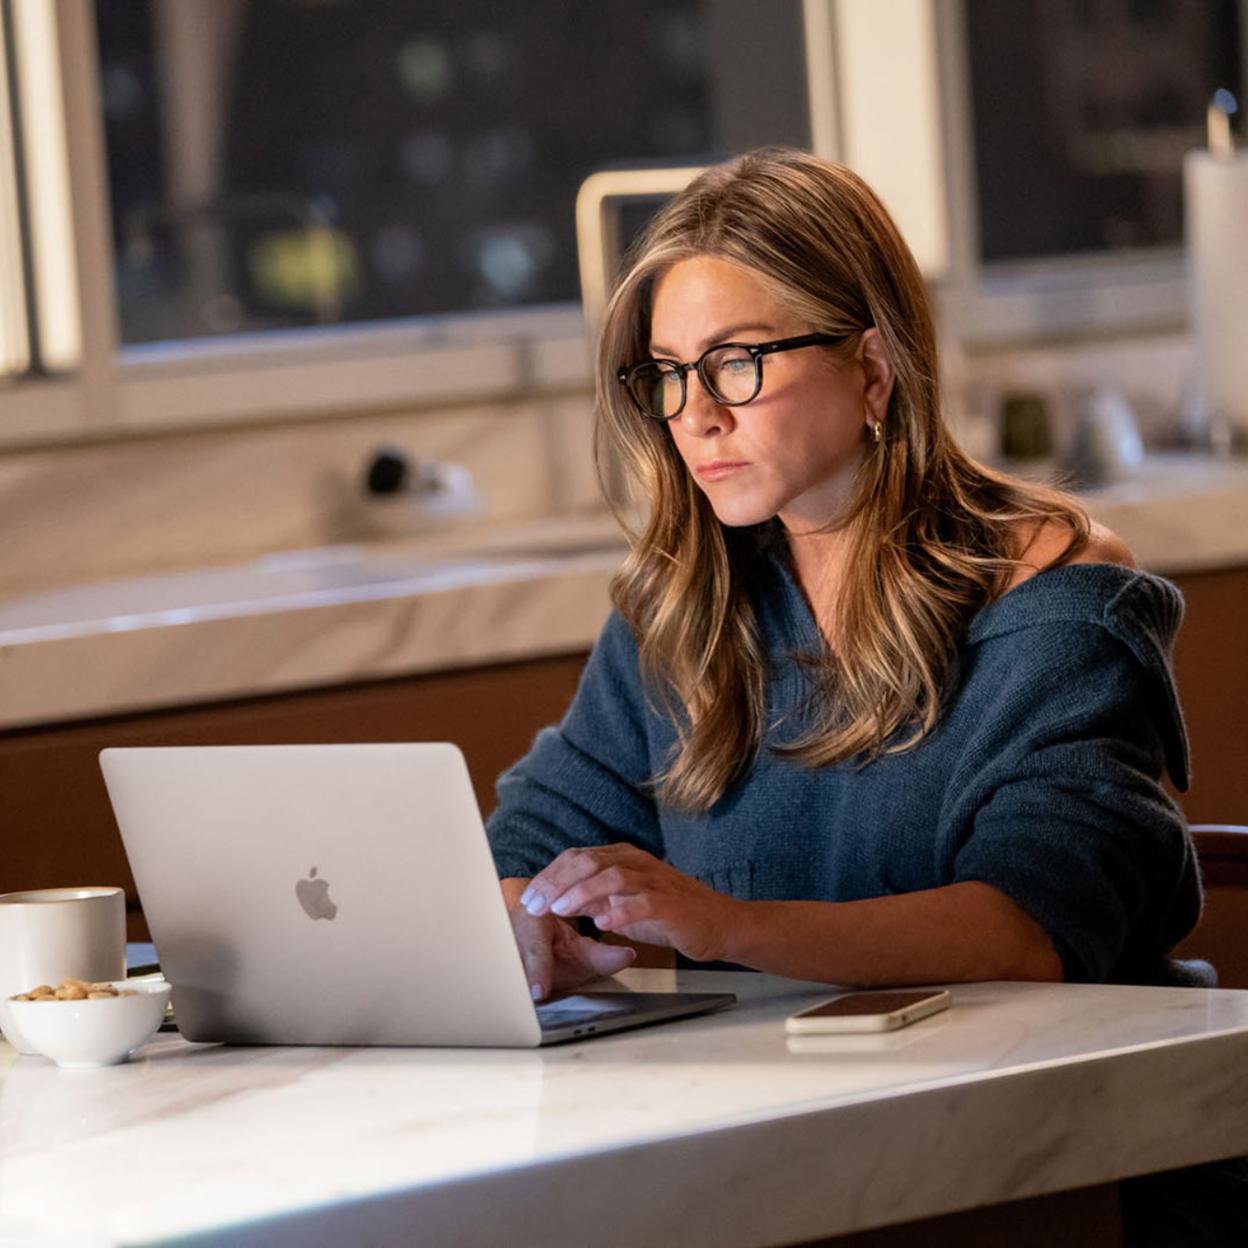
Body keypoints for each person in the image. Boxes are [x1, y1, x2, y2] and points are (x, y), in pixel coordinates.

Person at [485, 147, 1202, 1007]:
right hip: (782, 1105)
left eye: (736, 362)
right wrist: (528, 920)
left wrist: (727, 926)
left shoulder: (1053, 601)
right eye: (670, 373)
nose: (698, 416)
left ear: (870, 369)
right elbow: (525, 850)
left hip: (1049, 1097)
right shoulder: (686, 609)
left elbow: (1029, 929)